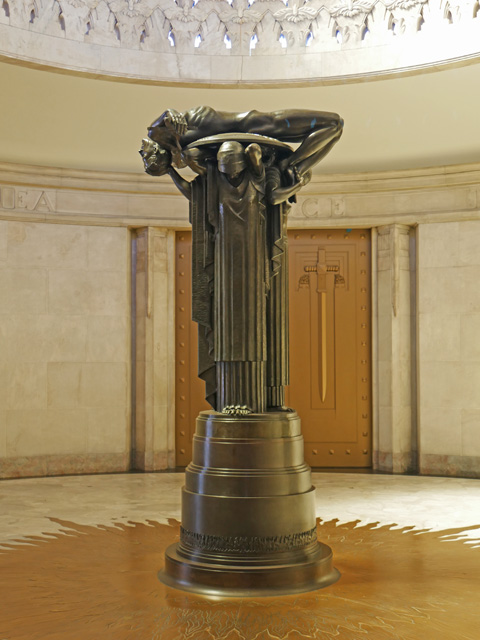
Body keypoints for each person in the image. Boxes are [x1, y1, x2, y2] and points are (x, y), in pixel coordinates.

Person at [145, 106, 343, 181]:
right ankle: (293, 165)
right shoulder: (186, 152)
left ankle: (293, 164)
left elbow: (165, 116)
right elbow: (201, 167)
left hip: (254, 121)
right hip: (254, 128)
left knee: (335, 125)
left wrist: (170, 114)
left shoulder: (160, 133)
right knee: (334, 125)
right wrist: (177, 165)